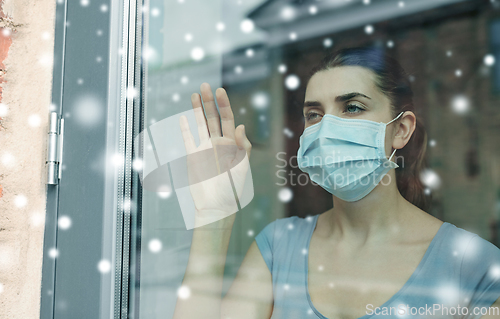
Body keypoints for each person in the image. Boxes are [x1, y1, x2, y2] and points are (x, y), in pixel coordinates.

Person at [173, 47, 500, 319]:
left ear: (400, 130)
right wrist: (213, 216)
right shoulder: (277, 248)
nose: (327, 129)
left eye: (352, 108)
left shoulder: (474, 266)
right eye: (314, 114)